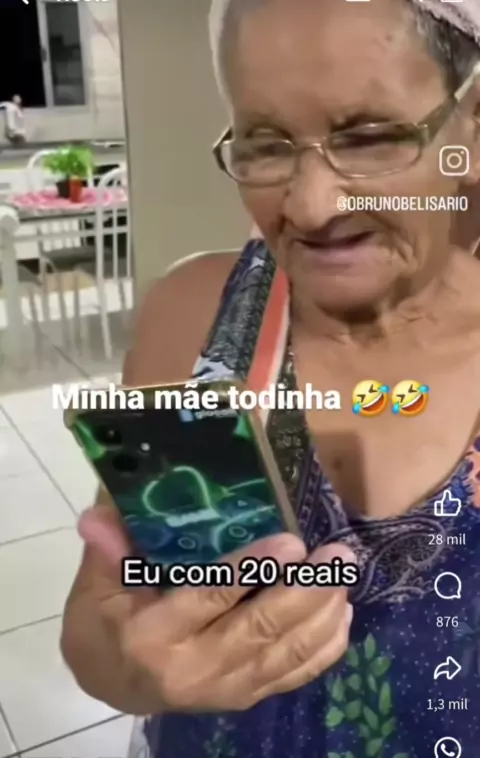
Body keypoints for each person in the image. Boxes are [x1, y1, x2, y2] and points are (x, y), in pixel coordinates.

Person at [61, 0, 480, 756]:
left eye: (370, 137)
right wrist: (135, 668)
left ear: (471, 132)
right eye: (265, 145)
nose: (311, 209)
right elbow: (99, 621)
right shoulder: (194, 316)